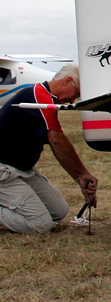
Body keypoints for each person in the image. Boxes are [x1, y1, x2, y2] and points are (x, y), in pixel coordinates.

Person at [0, 64, 98, 233]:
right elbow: (56, 140)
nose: (73, 101)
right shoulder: (39, 97)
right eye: (75, 95)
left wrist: (79, 177)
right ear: (68, 81)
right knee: (40, 224)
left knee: (59, 211)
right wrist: (82, 174)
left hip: (22, 169)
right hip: (5, 171)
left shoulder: (45, 98)